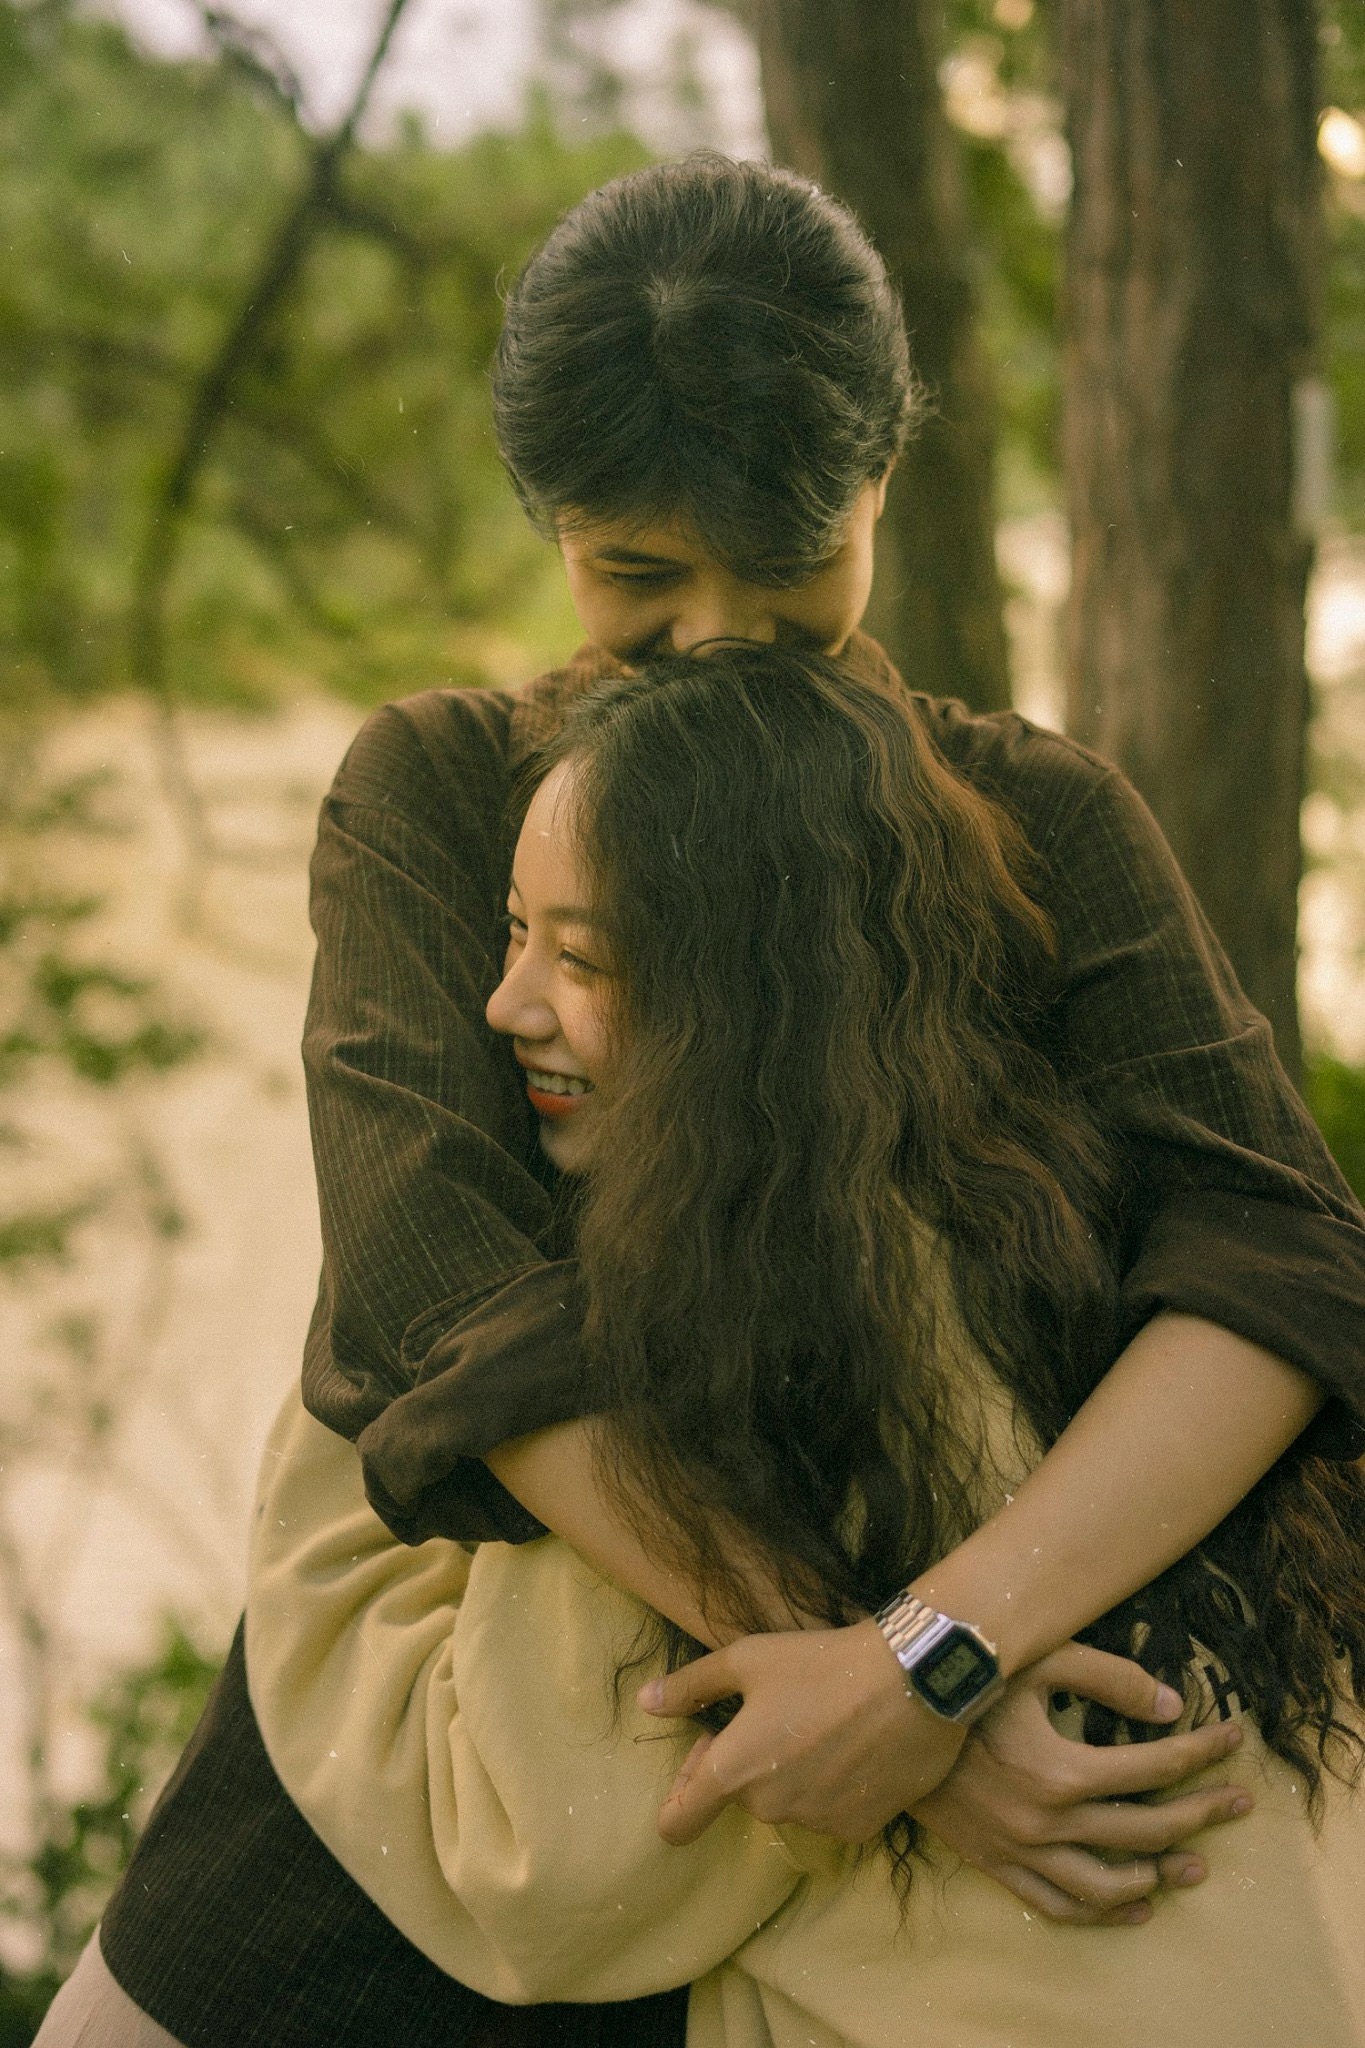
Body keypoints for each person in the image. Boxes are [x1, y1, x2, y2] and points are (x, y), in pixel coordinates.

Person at [37, 151, 1365, 2046]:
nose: (724, 635)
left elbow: (1276, 1263)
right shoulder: (440, 793)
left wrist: (934, 1658)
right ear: (550, 522)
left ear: (881, 477)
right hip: (505, 1698)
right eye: (643, 576)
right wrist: (868, 1686)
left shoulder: (1039, 823)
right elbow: (439, 1290)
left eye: (790, 562)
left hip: (972, 1645)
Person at [243, 646, 1365, 2046]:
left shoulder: (730, 1338)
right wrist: (926, 1691)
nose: (504, 1007)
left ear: (749, 1006)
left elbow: (551, 1870)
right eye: (513, 933)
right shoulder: (1071, 1260)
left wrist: (905, 1703)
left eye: (581, 958)